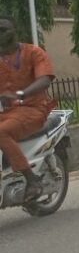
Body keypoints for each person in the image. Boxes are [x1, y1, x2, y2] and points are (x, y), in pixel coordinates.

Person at [0, 18, 57, 201]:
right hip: (6, 113)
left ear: (14, 30)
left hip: (32, 109)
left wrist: (21, 95)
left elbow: (45, 79)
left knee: (1, 133)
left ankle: (32, 180)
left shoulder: (33, 52)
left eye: (3, 29)